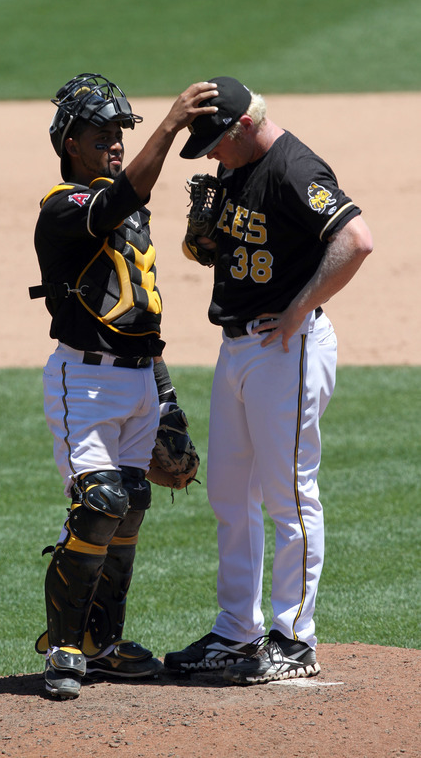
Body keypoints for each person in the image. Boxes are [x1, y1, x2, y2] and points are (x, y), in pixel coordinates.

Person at [164, 76, 373, 684]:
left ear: (246, 125)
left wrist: (300, 306)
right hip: (236, 348)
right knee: (230, 495)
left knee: (289, 497)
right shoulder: (237, 167)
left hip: (287, 347)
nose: (209, 155)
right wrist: (210, 245)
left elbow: (356, 241)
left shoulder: (293, 167)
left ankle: (294, 638)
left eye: (215, 143)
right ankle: (237, 632)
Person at [30, 73, 218, 698]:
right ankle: (63, 647)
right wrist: (168, 126)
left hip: (139, 380)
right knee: (99, 505)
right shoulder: (64, 208)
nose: (114, 142)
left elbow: (144, 315)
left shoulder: (129, 212)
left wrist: (166, 400)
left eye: (121, 133)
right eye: (102, 134)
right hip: (82, 380)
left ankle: (102, 643)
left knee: (132, 503)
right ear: (70, 144)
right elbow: (109, 205)